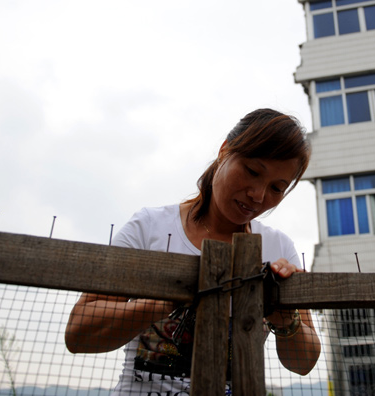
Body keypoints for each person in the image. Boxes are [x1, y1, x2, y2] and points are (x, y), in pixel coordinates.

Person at [65, 108, 321, 395]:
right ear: (225, 151)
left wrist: (283, 316)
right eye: (252, 171)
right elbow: (79, 333)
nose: (259, 195)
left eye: (277, 188)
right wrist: (165, 299)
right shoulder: (150, 228)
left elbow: (304, 362)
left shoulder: (277, 248)